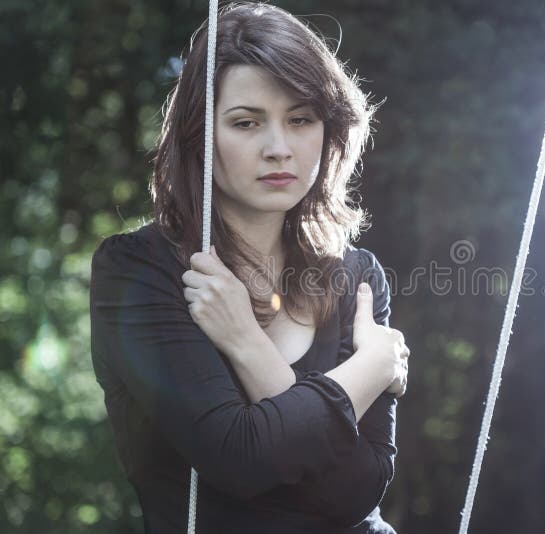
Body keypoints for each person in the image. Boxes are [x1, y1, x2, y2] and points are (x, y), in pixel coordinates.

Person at [89, 3, 410, 533]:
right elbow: (238, 457)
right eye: (246, 122)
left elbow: (356, 493)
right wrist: (367, 372)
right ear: (199, 136)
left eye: (301, 119)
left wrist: (248, 344)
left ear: (328, 132)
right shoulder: (139, 271)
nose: (278, 149)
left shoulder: (356, 276)